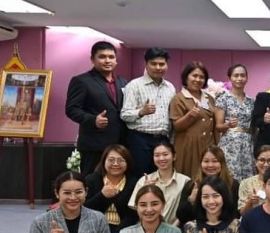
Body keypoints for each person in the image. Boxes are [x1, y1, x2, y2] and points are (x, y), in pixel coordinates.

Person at [65, 41, 128, 175]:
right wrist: (93, 120)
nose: (107, 60)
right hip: (94, 145)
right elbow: (71, 109)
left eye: (111, 57)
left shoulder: (123, 82)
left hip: (120, 144)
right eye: (102, 57)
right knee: (92, 182)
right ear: (92, 59)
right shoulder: (81, 81)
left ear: (116, 60)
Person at [121, 48, 176, 176]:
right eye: (153, 64)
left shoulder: (170, 87)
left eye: (162, 64)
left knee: (162, 176)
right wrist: (142, 112)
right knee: (140, 177)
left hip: (163, 139)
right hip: (140, 139)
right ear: (146, 65)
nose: (158, 67)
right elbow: (124, 115)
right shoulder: (134, 85)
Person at [170, 61, 218, 179]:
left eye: (202, 77)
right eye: (194, 75)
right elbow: (176, 126)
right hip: (188, 147)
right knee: (190, 180)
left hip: (208, 144)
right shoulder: (179, 98)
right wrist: (190, 115)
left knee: (208, 179)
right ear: (186, 77)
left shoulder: (209, 98)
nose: (198, 79)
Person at [84, 144, 138, 233]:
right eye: (111, 160)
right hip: (93, 229)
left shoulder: (134, 183)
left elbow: (132, 215)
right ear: (103, 161)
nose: (116, 164)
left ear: (128, 163)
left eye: (121, 160)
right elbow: (84, 209)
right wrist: (102, 196)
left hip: (123, 230)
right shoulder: (91, 180)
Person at [176, 145, 240, 227]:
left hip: (225, 230)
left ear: (222, 163)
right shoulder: (191, 185)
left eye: (214, 161)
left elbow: (235, 214)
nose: (210, 165)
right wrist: (191, 200)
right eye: (206, 161)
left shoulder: (232, 184)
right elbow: (181, 217)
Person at [128, 142, 190, 225]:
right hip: (148, 229)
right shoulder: (144, 180)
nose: (161, 158)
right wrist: (144, 191)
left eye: (165, 154)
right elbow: (135, 209)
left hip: (175, 230)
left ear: (174, 156)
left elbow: (187, 211)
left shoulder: (185, 181)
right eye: (157, 155)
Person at [215, 64, 256, 181]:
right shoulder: (223, 98)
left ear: (247, 78)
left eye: (242, 75)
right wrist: (227, 125)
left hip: (247, 143)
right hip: (230, 144)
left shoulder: (251, 101)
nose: (239, 78)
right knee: (231, 177)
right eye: (236, 75)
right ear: (229, 78)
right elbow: (218, 126)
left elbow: (253, 126)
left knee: (248, 177)